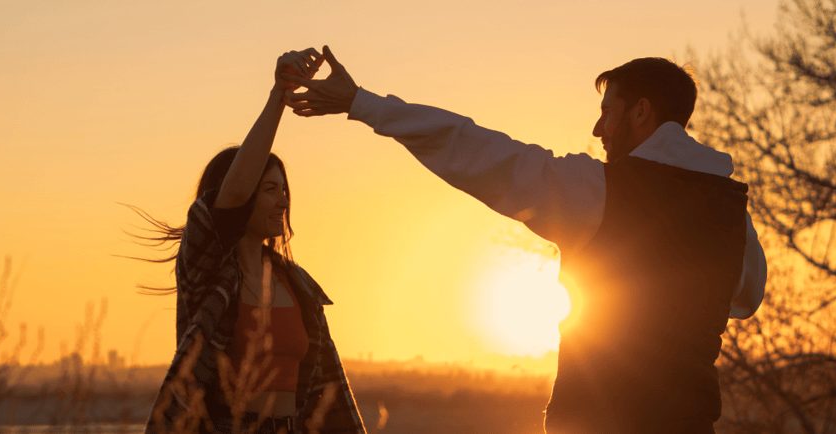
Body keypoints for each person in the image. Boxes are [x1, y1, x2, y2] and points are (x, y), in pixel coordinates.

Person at [282, 47, 768, 434]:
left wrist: (362, 103)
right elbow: (745, 298)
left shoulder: (599, 190)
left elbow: (476, 151)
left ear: (642, 112)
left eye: (607, 112)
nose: (598, 129)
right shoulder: (730, 210)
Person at [139, 49, 365, 434]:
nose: (284, 200)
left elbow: (329, 398)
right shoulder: (209, 271)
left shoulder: (300, 288)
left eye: (284, 189)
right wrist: (280, 96)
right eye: (269, 189)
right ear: (243, 196)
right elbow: (228, 201)